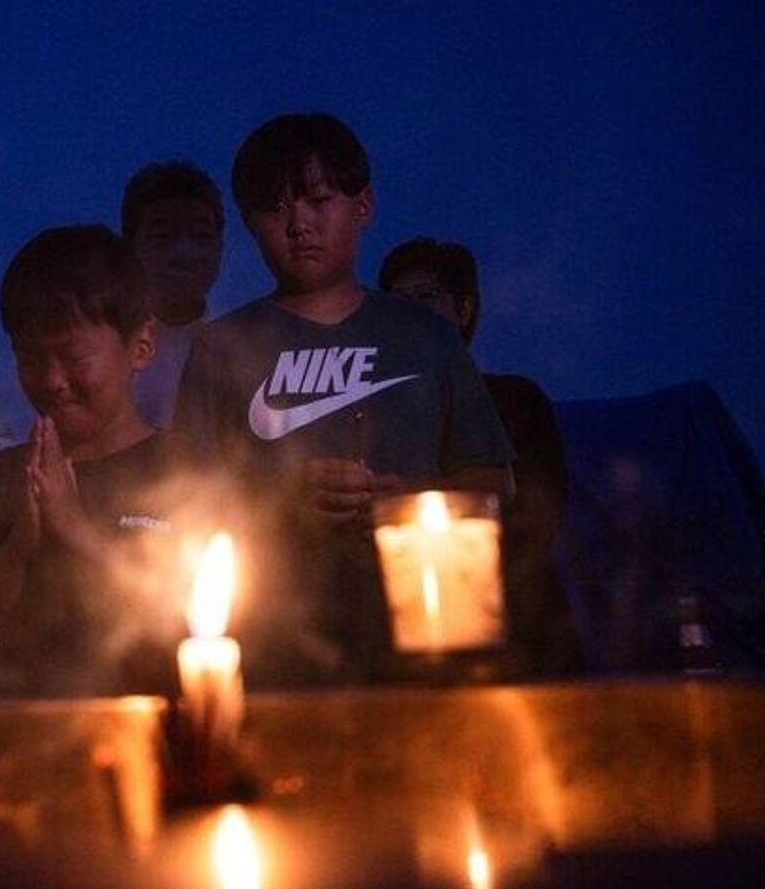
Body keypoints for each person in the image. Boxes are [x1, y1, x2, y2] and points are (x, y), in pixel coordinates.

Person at [175, 114, 513, 686]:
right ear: (250, 224)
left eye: (318, 200)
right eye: (275, 208)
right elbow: (184, 503)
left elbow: (496, 481)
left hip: (420, 636)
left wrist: (411, 502)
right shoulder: (221, 347)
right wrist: (281, 502)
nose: (300, 223)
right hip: (273, 647)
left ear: (363, 205)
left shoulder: (426, 336)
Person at [0, 226, 215, 697]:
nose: (52, 380)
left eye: (72, 356)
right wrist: (22, 545)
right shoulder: (10, 475)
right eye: (29, 359)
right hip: (31, 737)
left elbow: (198, 626)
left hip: (150, 728)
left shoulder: (184, 472)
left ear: (141, 345)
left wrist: (76, 531)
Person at [379, 237, 586, 677]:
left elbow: (538, 513)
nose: (412, 312)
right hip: (412, 629)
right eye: (398, 301)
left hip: (520, 623)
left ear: (464, 309)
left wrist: (418, 499)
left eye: (426, 296)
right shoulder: (380, 416)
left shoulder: (514, 400)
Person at [121, 160, 226, 429]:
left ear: (220, 246)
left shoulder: (238, 349)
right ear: (130, 248)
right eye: (163, 237)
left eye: (201, 236)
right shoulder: (110, 352)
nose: (184, 253)